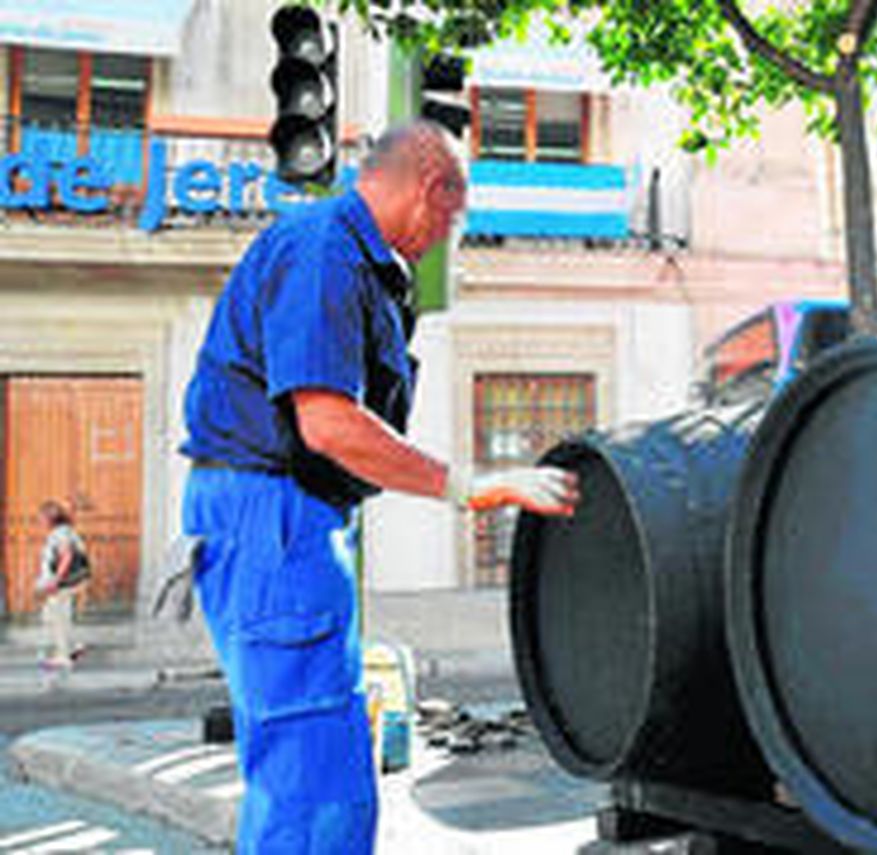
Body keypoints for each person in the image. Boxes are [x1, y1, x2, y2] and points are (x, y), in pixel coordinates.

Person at [179, 121, 579, 854]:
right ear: (431, 189)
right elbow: (328, 423)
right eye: (452, 221)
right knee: (313, 780)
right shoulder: (323, 248)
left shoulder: (350, 257)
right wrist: (471, 486)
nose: (445, 239)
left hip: (282, 518)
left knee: (311, 763)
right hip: (275, 517)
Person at [34, 499, 87, 671]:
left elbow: (67, 556)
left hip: (63, 584)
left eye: (41, 517)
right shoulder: (65, 531)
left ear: (50, 518)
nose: (39, 521)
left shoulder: (60, 533)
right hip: (66, 582)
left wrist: (56, 581)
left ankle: (63, 656)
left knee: (58, 617)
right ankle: (72, 647)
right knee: (51, 615)